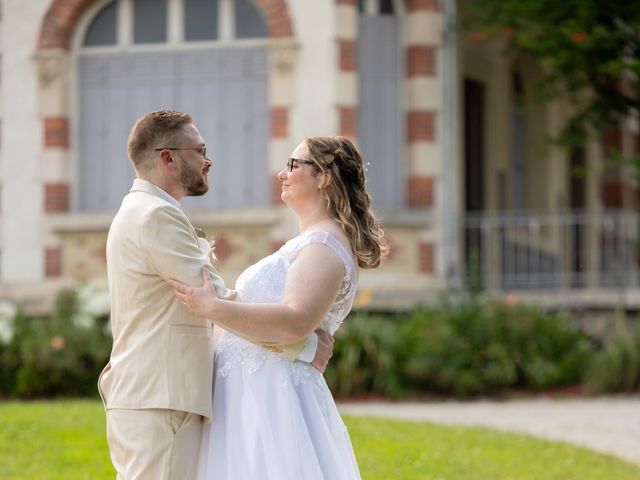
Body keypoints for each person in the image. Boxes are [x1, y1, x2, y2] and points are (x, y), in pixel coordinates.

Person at [98, 110, 334, 480]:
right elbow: (217, 301)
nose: (209, 160)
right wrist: (302, 344)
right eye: (200, 150)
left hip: (152, 395)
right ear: (168, 157)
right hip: (162, 396)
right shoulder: (155, 216)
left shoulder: (143, 211)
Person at [170, 135, 389, 479]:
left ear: (324, 176)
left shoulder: (324, 245)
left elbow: (294, 320)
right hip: (248, 393)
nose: (281, 174)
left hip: (273, 398)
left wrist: (211, 307)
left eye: (293, 165)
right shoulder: (310, 241)